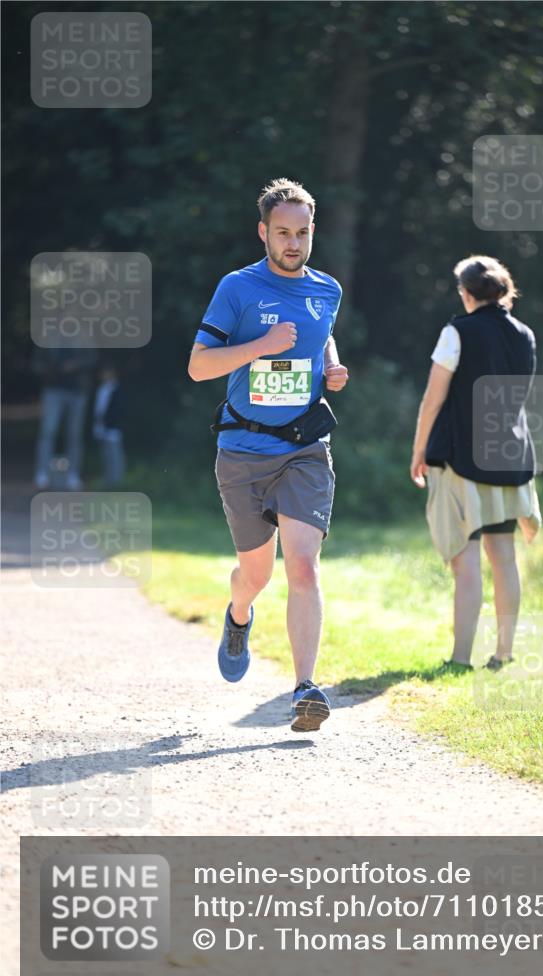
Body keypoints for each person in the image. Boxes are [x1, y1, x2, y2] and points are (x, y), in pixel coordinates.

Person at [188, 178, 348, 732]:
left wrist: (331, 364)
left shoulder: (327, 288)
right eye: (283, 233)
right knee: (255, 575)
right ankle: (238, 616)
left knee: (302, 564)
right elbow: (199, 365)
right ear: (263, 232)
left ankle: (305, 688)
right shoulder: (236, 288)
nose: (293, 243)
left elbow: (320, 331)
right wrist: (259, 346)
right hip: (242, 450)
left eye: (302, 233)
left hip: (304, 448)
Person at [410, 255, 541, 670]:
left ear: (466, 294)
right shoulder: (524, 334)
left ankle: (460, 659)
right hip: (509, 458)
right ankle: (504, 652)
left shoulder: (457, 332)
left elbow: (434, 399)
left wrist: (418, 450)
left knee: (466, 562)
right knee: (503, 557)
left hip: (461, 460)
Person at [33, 346, 97, 490]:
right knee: (48, 431)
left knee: (75, 434)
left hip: (78, 390)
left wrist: (76, 364)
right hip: (53, 389)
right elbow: (36, 363)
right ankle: (42, 473)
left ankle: (73, 475)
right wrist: (50, 371)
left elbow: (93, 358)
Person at [92, 363, 125, 486]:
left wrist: (109, 421)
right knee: (106, 455)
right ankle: (108, 479)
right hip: (102, 427)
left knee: (115, 455)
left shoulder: (116, 389)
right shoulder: (102, 389)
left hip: (113, 428)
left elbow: (117, 410)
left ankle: (117, 481)